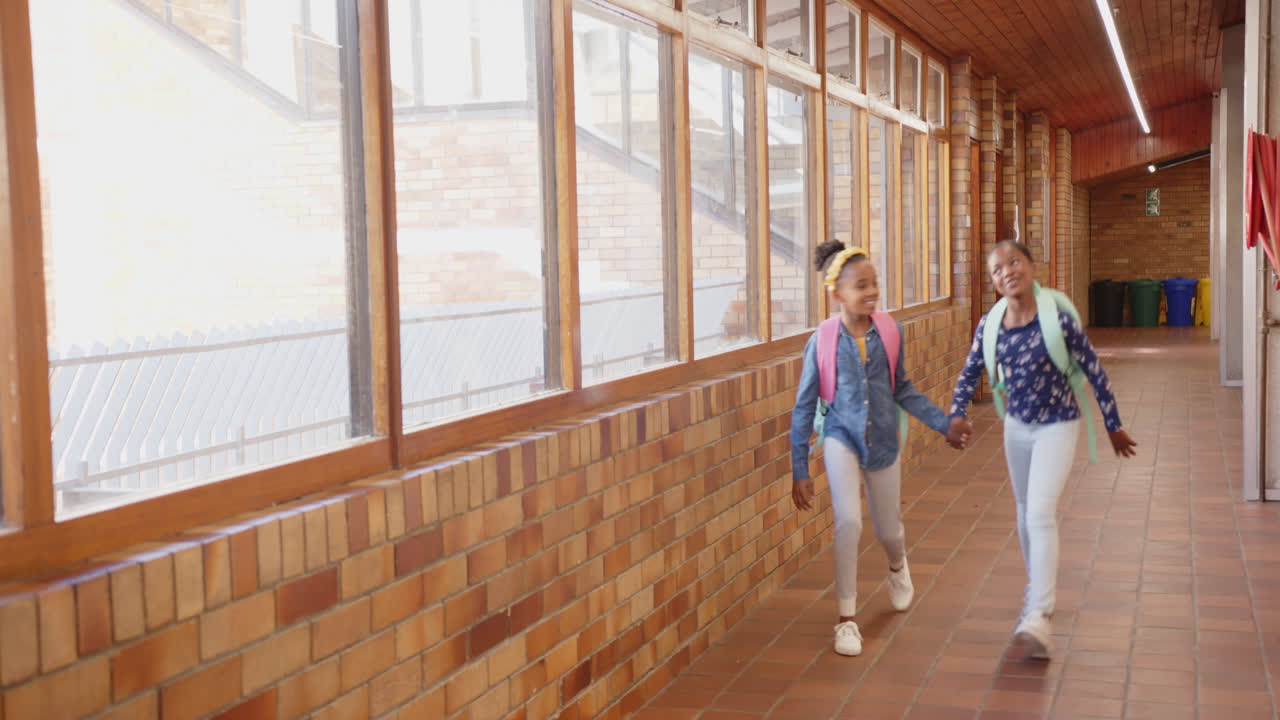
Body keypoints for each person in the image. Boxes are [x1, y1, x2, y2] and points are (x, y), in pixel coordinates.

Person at [949, 239, 1138, 660]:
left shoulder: (1058, 320)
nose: (1007, 272)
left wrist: (1113, 426)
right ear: (994, 282)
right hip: (1016, 427)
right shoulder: (991, 324)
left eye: (1014, 262)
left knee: (1039, 512)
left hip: (1058, 425)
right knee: (1023, 512)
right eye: (998, 269)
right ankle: (1038, 590)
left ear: (1032, 267)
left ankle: (1040, 614)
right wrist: (955, 413)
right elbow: (970, 370)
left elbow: (1095, 371)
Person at [790, 240, 972, 657]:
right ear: (837, 294)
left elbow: (901, 388)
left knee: (888, 530)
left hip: (885, 439)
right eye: (861, 286)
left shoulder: (890, 332)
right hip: (840, 435)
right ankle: (846, 620)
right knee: (849, 521)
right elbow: (803, 407)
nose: (871, 292)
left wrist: (944, 424)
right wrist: (800, 466)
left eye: (875, 284)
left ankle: (897, 566)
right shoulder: (821, 341)